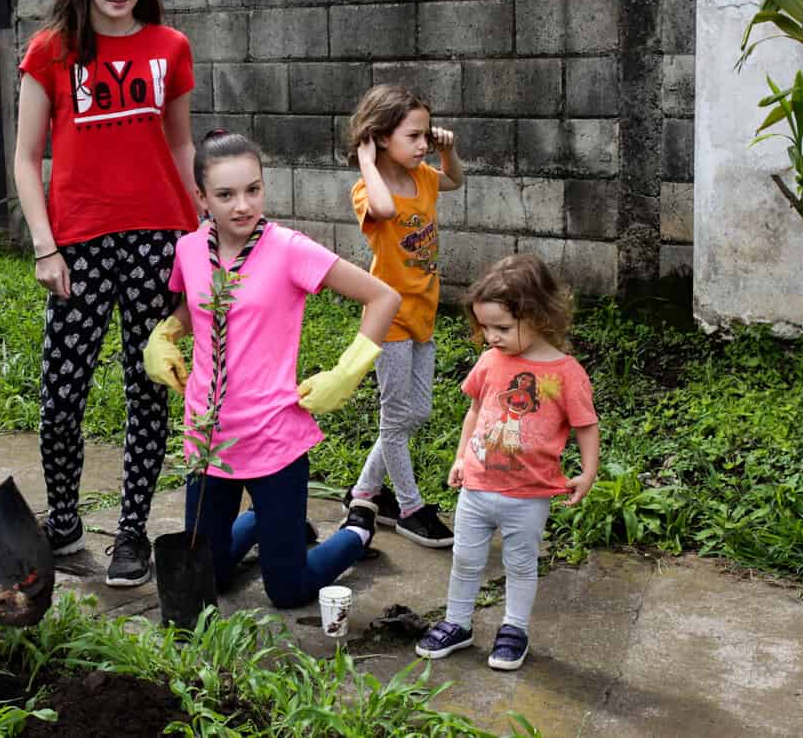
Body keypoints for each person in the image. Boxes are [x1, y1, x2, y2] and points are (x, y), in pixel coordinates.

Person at [13, 0, 198, 587]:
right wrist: (43, 245)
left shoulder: (170, 46)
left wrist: (197, 225)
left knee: (149, 386)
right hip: (78, 243)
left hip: (159, 237)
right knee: (62, 392)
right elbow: (27, 156)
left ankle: (131, 534)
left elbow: (179, 143)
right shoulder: (51, 50)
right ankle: (63, 526)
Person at [142, 130, 401, 608]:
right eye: (225, 194)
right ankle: (266, 520)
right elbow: (193, 310)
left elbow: (383, 296)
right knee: (207, 579)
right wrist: (164, 335)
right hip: (208, 438)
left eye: (253, 190)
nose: (243, 205)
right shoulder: (189, 250)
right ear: (200, 198)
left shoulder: (288, 249)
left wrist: (347, 371)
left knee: (288, 591)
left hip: (273, 436)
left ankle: (355, 531)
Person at [415, 254, 600, 670]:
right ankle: (457, 622)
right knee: (465, 558)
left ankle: (514, 628)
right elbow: (476, 411)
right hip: (478, 488)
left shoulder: (566, 373)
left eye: (502, 327)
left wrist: (588, 472)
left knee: (520, 564)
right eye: (484, 327)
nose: (491, 336)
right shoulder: (490, 361)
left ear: (537, 315)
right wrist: (461, 457)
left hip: (529, 495)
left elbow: (586, 424)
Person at [343, 84, 464, 549]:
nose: (422, 145)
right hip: (388, 320)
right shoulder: (365, 190)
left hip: (423, 313)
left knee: (419, 411)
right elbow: (385, 208)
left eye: (425, 137)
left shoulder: (427, 178)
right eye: (413, 137)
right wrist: (368, 162)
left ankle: (364, 493)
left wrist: (450, 152)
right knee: (395, 419)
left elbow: (455, 180)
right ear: (379, 137)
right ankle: (411, 509)